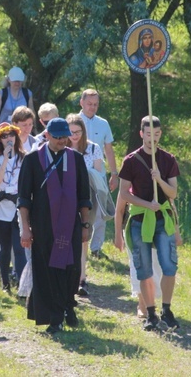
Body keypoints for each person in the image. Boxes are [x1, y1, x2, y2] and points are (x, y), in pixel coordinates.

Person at [18, 118, 92, 335]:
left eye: (64, 136)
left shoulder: (76, 159)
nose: (61, 140)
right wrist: (25, 227)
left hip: (71, 226)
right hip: (43, 225)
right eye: (57, 136)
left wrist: (85, 225)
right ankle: (54, 317)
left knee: (71, 270)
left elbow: (84, 196)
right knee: (48, 271)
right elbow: (24, 198)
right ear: (47, 135)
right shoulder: (32, 160)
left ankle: (68, 305)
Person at [115, 115, 181, 331]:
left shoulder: (168, 160)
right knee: (143, 268)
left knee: (169, 266)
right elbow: (124, 193)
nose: (153, 138)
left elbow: (173, 193)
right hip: (140, 219)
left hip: (163, 219)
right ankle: (150, 313)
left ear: (161, 134)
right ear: (141, 134)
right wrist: (146, 203)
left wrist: (159, 179)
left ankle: (167, 310)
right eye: (149, 134)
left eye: (157, 134)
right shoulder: (131, 160)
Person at [0, 123, 27, 292]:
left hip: (18, 206)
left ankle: (23, 286)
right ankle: (5, 282)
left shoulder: (24, 157)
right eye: (4, 136)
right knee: (4, 246)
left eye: (11, 135)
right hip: (1, 206)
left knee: (19, 246)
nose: (8, 138)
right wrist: (6, 159)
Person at [65, 113, 105, 298]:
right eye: (71, 131)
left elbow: (98, 173)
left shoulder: (93, 148)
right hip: (65, 198)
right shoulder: (61, 148)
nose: (74, 135)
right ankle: (68, 274)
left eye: (78, 131)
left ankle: (82, 278)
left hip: (87, 196)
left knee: (83, 238)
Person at [79, 89, 119, 258]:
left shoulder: (103, 123)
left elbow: (108, 150)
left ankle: (96, 248)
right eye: (89, 104)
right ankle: (81, 246)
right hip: (79, 175)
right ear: (81, 102)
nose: (92, 107)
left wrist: (114, 173)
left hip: (99, 175)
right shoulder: (73, 121)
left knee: (101, 213)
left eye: (95, 104)